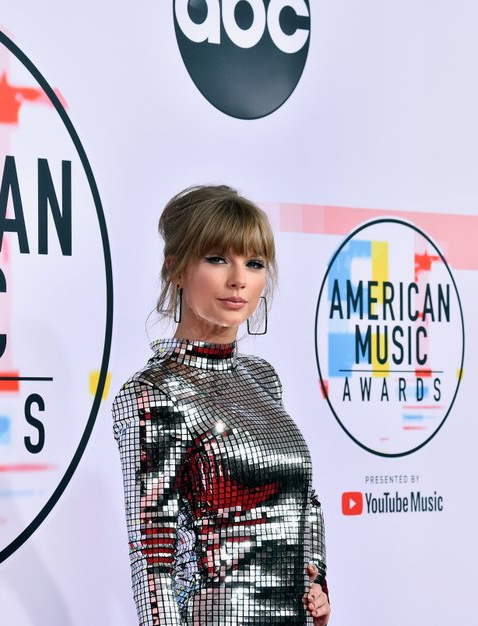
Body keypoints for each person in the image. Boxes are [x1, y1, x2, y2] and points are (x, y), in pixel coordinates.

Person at [112, 185, 330, 625]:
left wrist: (316, 583)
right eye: (217, 259)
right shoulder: (153, 391)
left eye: (254, 263)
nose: (239, 280)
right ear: (175, 268)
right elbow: (152, 556)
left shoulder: (262, 377)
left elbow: (305, 502)